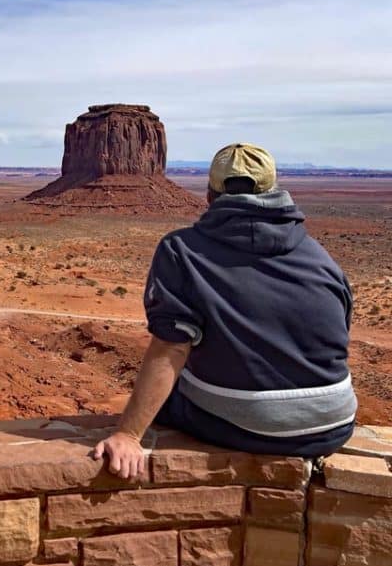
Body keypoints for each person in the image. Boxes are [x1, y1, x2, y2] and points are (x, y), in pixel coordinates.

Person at [95, 143, 356, 479]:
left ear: (209, 194)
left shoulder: (181, 250)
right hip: (335, 422)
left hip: (250, 426)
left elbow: (172, 345)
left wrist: (128, 435)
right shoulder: (319, 255)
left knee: (171, 390)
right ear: (274, 189)